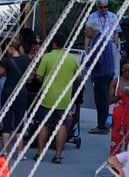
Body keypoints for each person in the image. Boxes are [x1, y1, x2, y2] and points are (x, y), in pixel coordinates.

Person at [34, 33, 80, 164]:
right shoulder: (73, 59)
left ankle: (40, 153)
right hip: (64, 97)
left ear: (53, 44)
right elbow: (78, 77)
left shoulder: (47, 57)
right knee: (62, 125)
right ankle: (58, 155)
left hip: (47, 96)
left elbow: (38, 76)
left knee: (43, 124)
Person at [0, 39, 30, 153]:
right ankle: (20, 152)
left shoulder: (6, 61)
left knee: (7, 122)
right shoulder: (26, 59)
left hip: (8, 92)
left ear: (11, 48)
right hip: (21, 93)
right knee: (19, 122)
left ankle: (5, 152)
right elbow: (30, 77)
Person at [85, 25, 116, 134]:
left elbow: (97, 59)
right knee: (103, 100)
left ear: (92, 30)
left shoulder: (98, 41)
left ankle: (102, 126)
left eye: (86, 29)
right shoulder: (103, 38)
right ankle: (103, 124)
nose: (85, 32)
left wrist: (85, 63)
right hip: (106, 73)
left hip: (101, 74)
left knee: (101, 101)